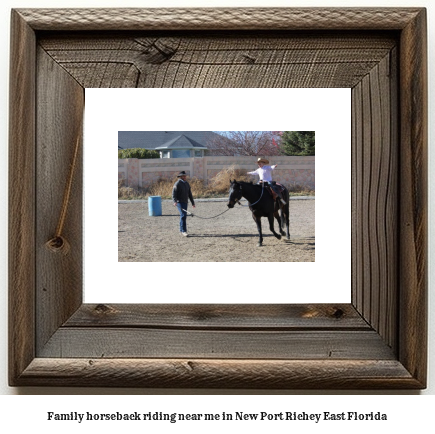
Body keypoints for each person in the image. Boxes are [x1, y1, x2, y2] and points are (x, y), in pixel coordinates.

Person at [172, 171, 195, 236]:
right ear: (180, 177)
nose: (185, 177)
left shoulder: (187, 184)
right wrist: (174, 201)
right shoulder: (177, 184)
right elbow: (174, 193)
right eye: (183, 176)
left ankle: (181, 229)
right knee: (183, 215)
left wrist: (192, 203)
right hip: (179, 202)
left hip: (185, 202)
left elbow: (189, 194)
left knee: (184, 216)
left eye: (185, 176)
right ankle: (184, 231)